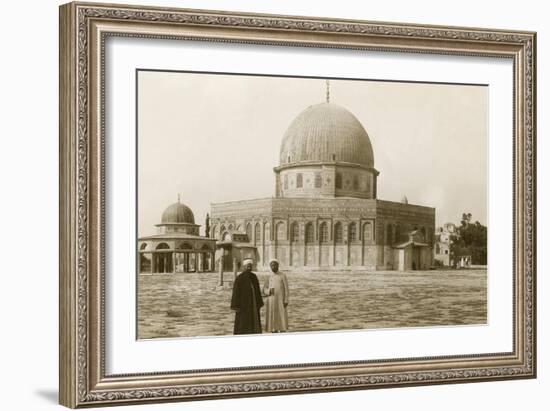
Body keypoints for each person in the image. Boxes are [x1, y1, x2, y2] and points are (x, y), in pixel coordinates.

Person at [230, 258, 264, 334]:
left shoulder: (254, 277)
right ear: (244, 267)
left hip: (253, 305)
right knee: (243, 323)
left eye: (250, 266)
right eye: (247, 266)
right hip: (243, 306)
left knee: (254, 321)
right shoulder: (239, 278)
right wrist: (235, 306)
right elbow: (236, 293)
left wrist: (259, 303)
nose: (249, 267)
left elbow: (257, 291)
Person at [263, 258, 289, 333]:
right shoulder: (269, 276)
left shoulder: (282, 275)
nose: (273, 267)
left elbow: (286, 289)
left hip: (281, 301)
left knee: (281, 316)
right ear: (270, 267)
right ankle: (273, 331)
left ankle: (282, 330)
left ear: (278, 266)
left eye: (275, 265)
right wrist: (268, 291)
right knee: (273, 317)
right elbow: (264, 289)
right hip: (271, 301)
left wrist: (286, 300)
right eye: (272, 265)